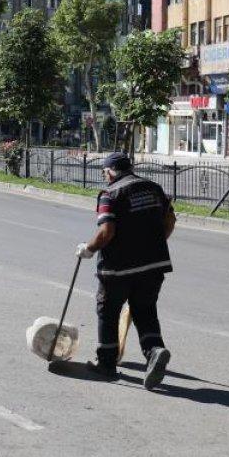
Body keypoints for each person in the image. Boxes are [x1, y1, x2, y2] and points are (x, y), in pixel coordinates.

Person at [76, 152, 176, 390]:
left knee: (108, 311)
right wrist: (154, 243)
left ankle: (107, 364)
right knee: (145, 311)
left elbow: (106, 231)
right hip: (153, 265)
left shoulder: (109, 195)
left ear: (110, 172)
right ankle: (154, 351)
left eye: (104, 173)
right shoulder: (154, 188)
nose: (104, 177)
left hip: (118, 268)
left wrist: (89, 249)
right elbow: (170, 221)